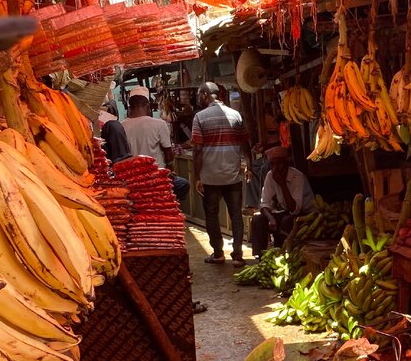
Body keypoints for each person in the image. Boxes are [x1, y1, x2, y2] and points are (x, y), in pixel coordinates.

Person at [192, 81, 250, 266]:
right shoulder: (236, 115)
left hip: (211, 177)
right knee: (235, 214)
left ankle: (218, 254)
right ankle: (238, 255)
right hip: (232, 175)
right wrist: (249, 164)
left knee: (212, 215)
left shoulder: (200, 117)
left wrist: (198, 176)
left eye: (198, 95)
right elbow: (245, 143)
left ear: (204, 95)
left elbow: (197, 150)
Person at [121, 86, 189, 204]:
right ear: (147, 105)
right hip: (156, 178)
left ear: (130, 107)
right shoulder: (159, 124)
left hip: (132, 179)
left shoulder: (122, 126)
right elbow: (168, 153)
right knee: (183, 185)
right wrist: (170, 169)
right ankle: (174, 203)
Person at [251, 145, 315, 254]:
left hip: (304, 213)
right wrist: (271, 218)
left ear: (286, 163)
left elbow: (294, 209)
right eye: (272, 164)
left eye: (279, 163)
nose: (276, 168)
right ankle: (261, 257)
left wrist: (282, 183)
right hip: (285, 210)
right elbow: (264, 203)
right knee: (258, 220)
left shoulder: (297, 176)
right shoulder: (270, 175)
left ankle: (284, 253)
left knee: (286, 221)